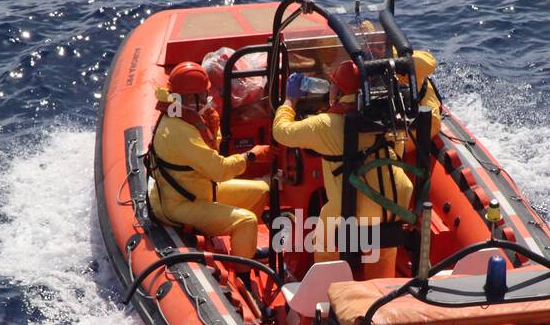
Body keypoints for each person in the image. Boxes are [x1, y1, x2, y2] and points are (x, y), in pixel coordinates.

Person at [272, 60, 412, 279]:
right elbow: (399, 150)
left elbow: (282, 132)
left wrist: (290, 100)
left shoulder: (324, 124)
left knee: (325, 237)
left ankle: (328, 289)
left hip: (356, 208)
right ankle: (382, 288)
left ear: (338, 91)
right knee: (384, 245)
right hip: (398, 200)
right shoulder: (386, 115)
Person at [146, 61, 271, 258]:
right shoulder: (181, 132)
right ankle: (243, 271)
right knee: (246, 221)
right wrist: (252, 156)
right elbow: (219, 170)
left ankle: (243, 248)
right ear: (189, 97)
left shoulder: (183, 116)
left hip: (198, 190)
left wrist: (214, 129)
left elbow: (210, 153)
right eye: (203, 94)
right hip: (179, 205)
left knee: (261, 191)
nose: (207, 98)